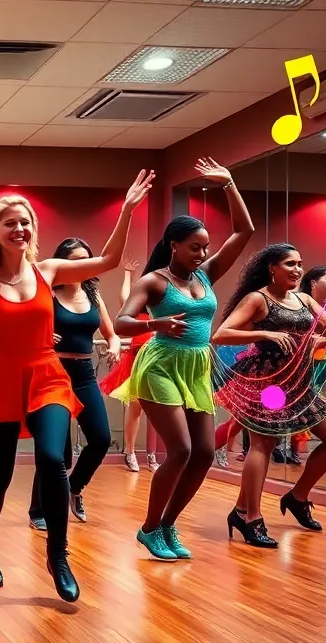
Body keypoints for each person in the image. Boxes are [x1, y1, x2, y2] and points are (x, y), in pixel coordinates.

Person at [0, 169, 154, 603]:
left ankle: (58, 556)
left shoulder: (48, 271)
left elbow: (106, 261)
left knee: (52, 457)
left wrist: (126, 211)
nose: (20, 228)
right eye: (10, 222)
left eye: (25, 221)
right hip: (1, 378)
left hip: (47, 375)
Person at [112, 158, 254, 561]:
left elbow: (244, 231)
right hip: (160, 364)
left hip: (196, 366)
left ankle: (167, 525)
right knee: (180, 450)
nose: (202, 253)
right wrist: (154, 327)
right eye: (195, 247)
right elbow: (122, 322)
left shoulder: (205, 275)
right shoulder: (154, 281)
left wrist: (229, 184)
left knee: (205, 453)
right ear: (174, 245)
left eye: (205, 247)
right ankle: (148, 527)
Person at [212, 244, 326, 548]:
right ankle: (250, 518)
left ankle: (297, 497)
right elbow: (221, 334)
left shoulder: (305, 299)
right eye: (289, 264)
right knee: (263, 444)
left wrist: (315, 338)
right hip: (266, 379)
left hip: (297, 380)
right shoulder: (258, 298)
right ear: (272, 268)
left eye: (300, 264)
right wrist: (265, 334)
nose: (297, 270)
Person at [25, 237, 122, 529]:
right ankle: (37, 510)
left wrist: (114, 345)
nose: (81, 266)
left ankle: (74, 488)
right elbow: (27, 329)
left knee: (101, 439)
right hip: (53, 371)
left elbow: (111, 333)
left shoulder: (93, 296)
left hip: (83, 373)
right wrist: (40, 338)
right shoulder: (47, 293)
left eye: (85, 259)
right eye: (74, 260)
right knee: (56, 451)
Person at [100, 258, 163, 472]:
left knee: (158, 407)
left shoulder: (165, 305)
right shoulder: (141, 304)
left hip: (159, 359)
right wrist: (127, 273)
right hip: (139, 356)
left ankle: (152, 454)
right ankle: (130, 451)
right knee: (136, 406)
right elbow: (124, 301)